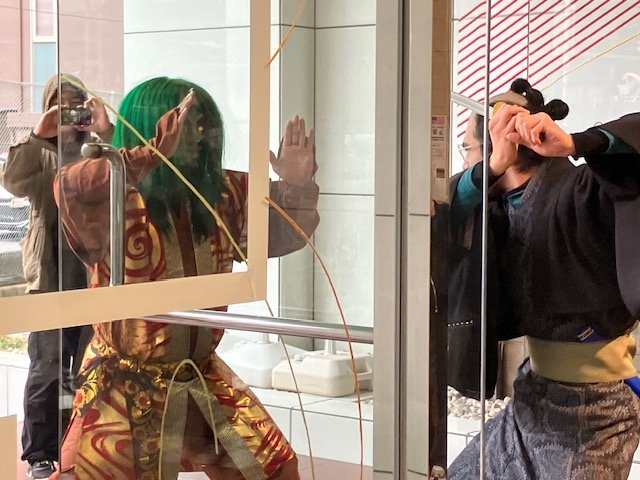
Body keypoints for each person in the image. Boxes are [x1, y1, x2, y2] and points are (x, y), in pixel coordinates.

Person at [51, 76, 319, 480]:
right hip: (123, 383)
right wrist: (148, 154)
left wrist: (297, 187)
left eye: (202, 123)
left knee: (272, 470)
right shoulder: (114, 193)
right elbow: (67, 186)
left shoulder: (224, 192)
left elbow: (284, 235)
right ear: (149, 126)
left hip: (199, 374)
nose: (197, 134)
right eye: (184, 123)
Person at [447, 77, 640, 479]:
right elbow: (437, 214)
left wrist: (578, 142)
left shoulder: (584, 191)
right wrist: (490, 170)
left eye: (468, 148)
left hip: (597, 415)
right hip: (533, 397)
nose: (467, 161)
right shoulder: (496, 211)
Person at [0, 73, 112, 479]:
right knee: (46, 366)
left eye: (75, 105)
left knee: (87, 365)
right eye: (60, 106)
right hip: (48, 276)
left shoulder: (97, 151)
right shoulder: (41, 152)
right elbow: (12, 181)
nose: (69, 114)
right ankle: (40, 454)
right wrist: (38, 135)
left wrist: (107, 132)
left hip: (91, 273)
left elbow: (131, 177)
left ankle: (78, 445)